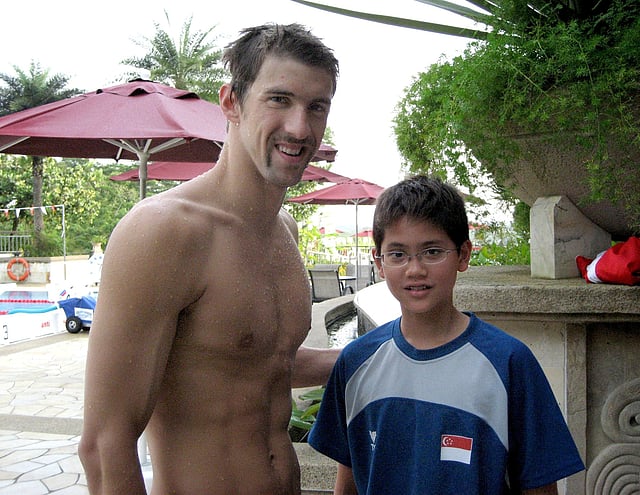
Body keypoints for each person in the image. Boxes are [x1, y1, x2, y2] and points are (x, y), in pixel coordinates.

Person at [79, 23, 340, 495]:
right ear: (231, 102)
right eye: (279, 100)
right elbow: (104, 444)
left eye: (316, 106)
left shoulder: (284, 231)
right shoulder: (165, 231)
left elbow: (253, 359)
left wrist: (376, 352)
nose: (300, 128)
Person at [308, 175, 585, 494]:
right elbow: (349, 480)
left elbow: (539, 486)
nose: (415, 270)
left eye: (432, 251)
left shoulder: (509, 363)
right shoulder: (355, 362)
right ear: (379, 263)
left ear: (463, 255)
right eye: (398, 254)